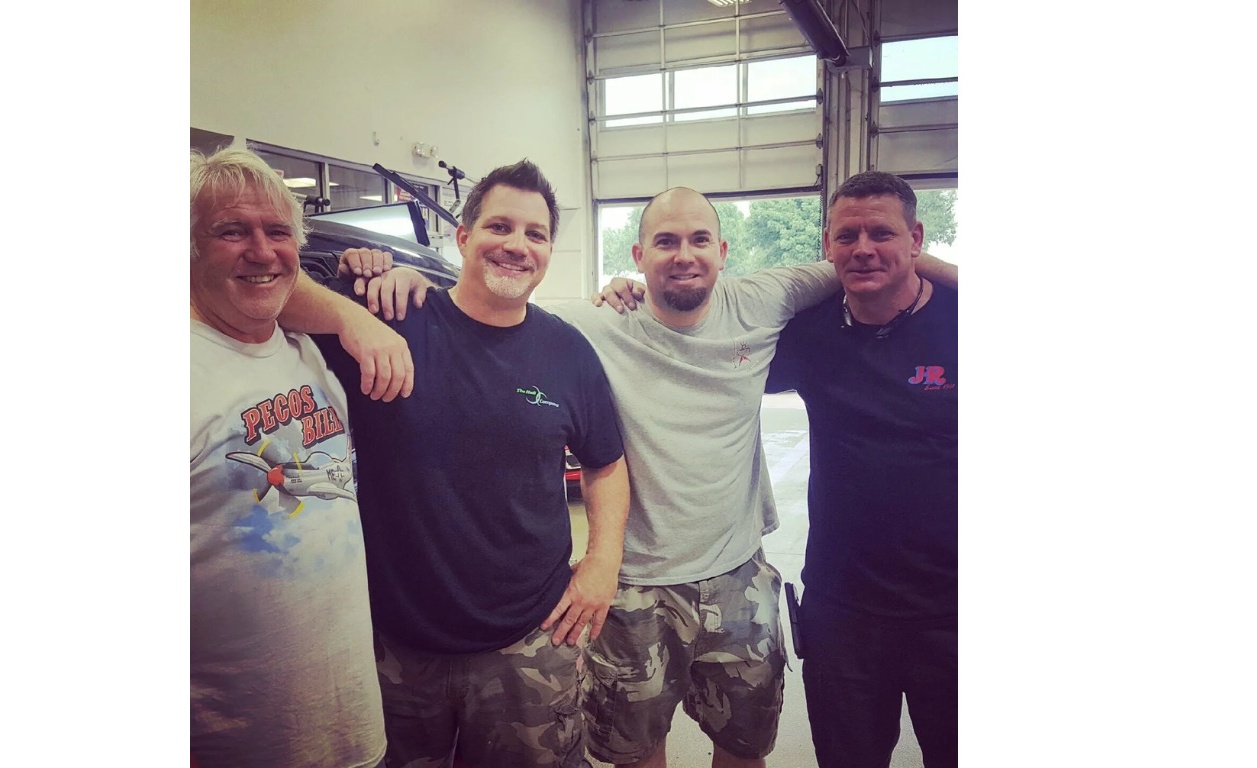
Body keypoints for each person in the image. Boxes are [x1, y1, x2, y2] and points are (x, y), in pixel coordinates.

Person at [350, 185, 957, 767]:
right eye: (665, 242)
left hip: (737, 576)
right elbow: (494, 303)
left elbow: (869, 259)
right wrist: (417, 287)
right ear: (638, 257)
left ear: (723, 251)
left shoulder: (765, 298)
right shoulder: (593, 324)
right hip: (634, 588)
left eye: (699, 240)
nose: (684, 255)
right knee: (635, 752)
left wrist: (921, 257)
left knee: (747, 747)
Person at [278, 159, 631, 768]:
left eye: (536, 234)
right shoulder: (392, 318)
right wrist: (351, 310)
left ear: (549, 252)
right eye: (499, 226)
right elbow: (270, 292)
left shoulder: (568, 351)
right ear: (464, 237)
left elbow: (606, 463)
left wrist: (603, 563)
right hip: (396, 645)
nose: (517, 245)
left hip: (530, 640)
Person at [189, 146, 411, 767]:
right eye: (231, 231)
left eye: (277, 231)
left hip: (351, 727)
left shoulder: (304, 349)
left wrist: (377, 299)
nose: (262, 252)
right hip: (234, 744)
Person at [764, 171, 958, 768]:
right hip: (843, 611)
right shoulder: (809, 334)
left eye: (882, 233)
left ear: (916, 238)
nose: (864, 248)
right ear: (827, 245)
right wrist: (632, 297)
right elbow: (708, 341)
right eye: (847, 236)